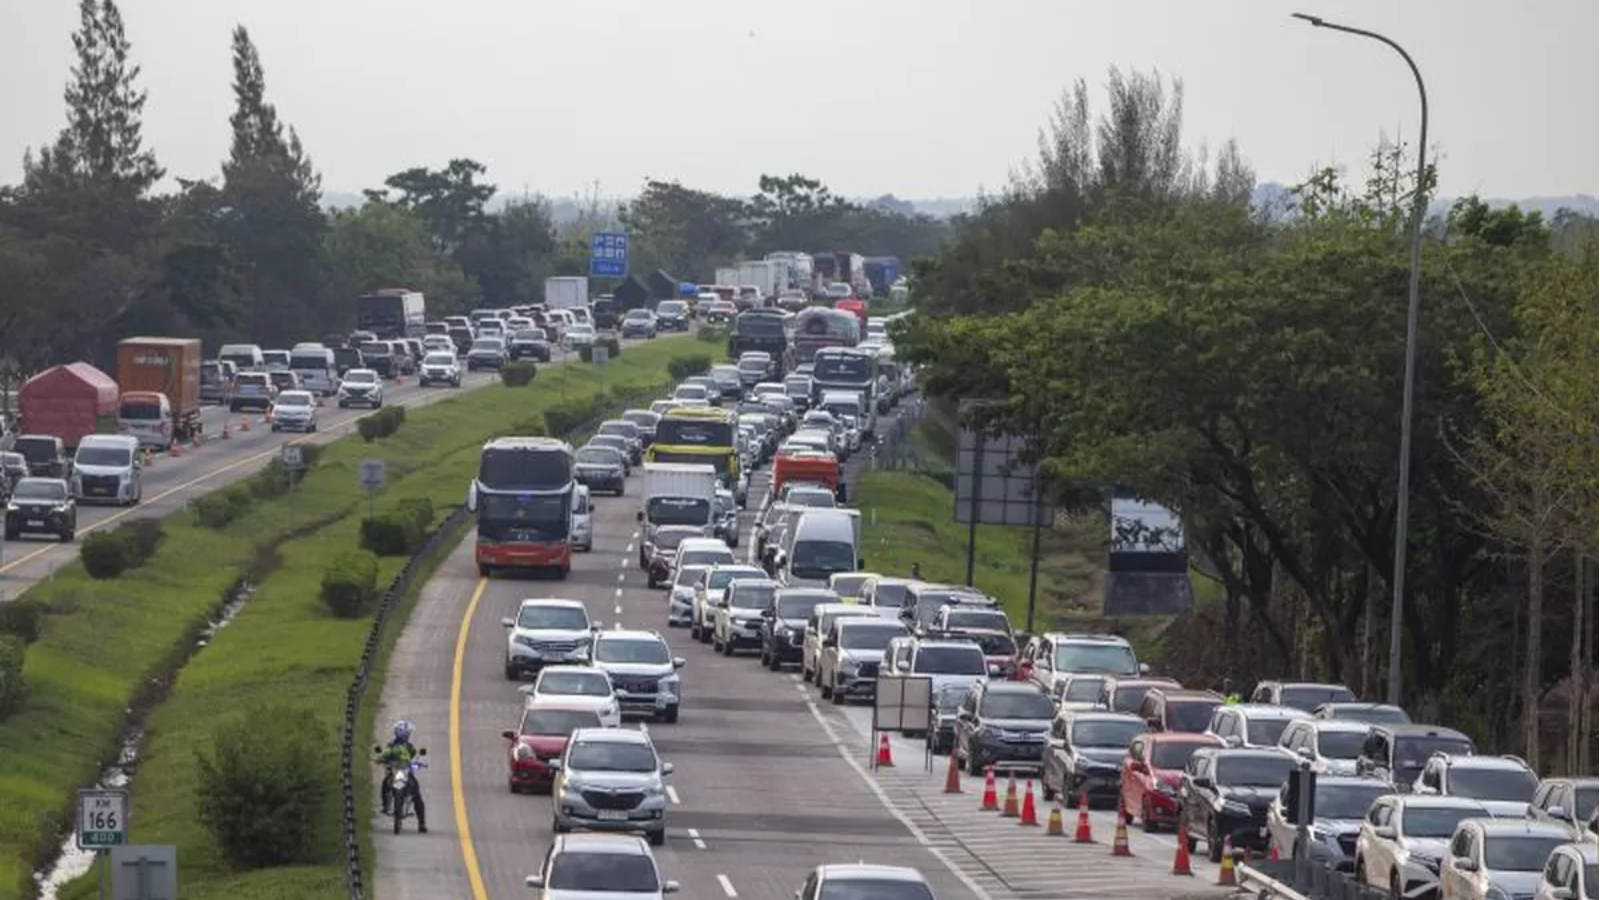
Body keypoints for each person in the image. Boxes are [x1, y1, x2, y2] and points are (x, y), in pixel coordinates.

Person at [377, 719, 427, 832]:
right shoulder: (391, 746)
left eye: (408, 733)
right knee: (385, 783)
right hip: (393, 772)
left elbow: (415, 757)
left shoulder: (410, 747)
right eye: (407, 733)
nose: (408, 735)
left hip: (406, 772)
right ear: (402, 733)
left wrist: (418, 763)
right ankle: (385, 805)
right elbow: (384, 755)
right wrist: (381, 760)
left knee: (416, 794)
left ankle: (422, 823)